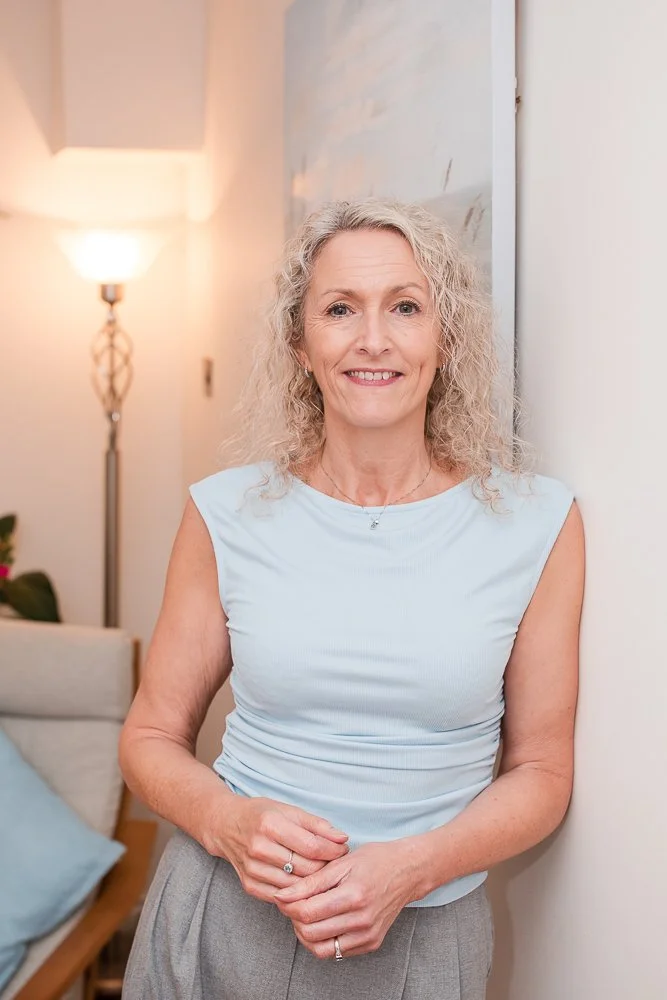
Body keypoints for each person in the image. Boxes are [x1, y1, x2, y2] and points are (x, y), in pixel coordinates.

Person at [120, 198, 585, 1000]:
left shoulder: (537, 523)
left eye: (405, 307)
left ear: (445, 338)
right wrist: (227, 821)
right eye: (340, 309)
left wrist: (413, 866)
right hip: (218, 917)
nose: (373, 339)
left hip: (422, 932)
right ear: (299, 345)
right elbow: (150, 737)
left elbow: (541, 771)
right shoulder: (224, 512)